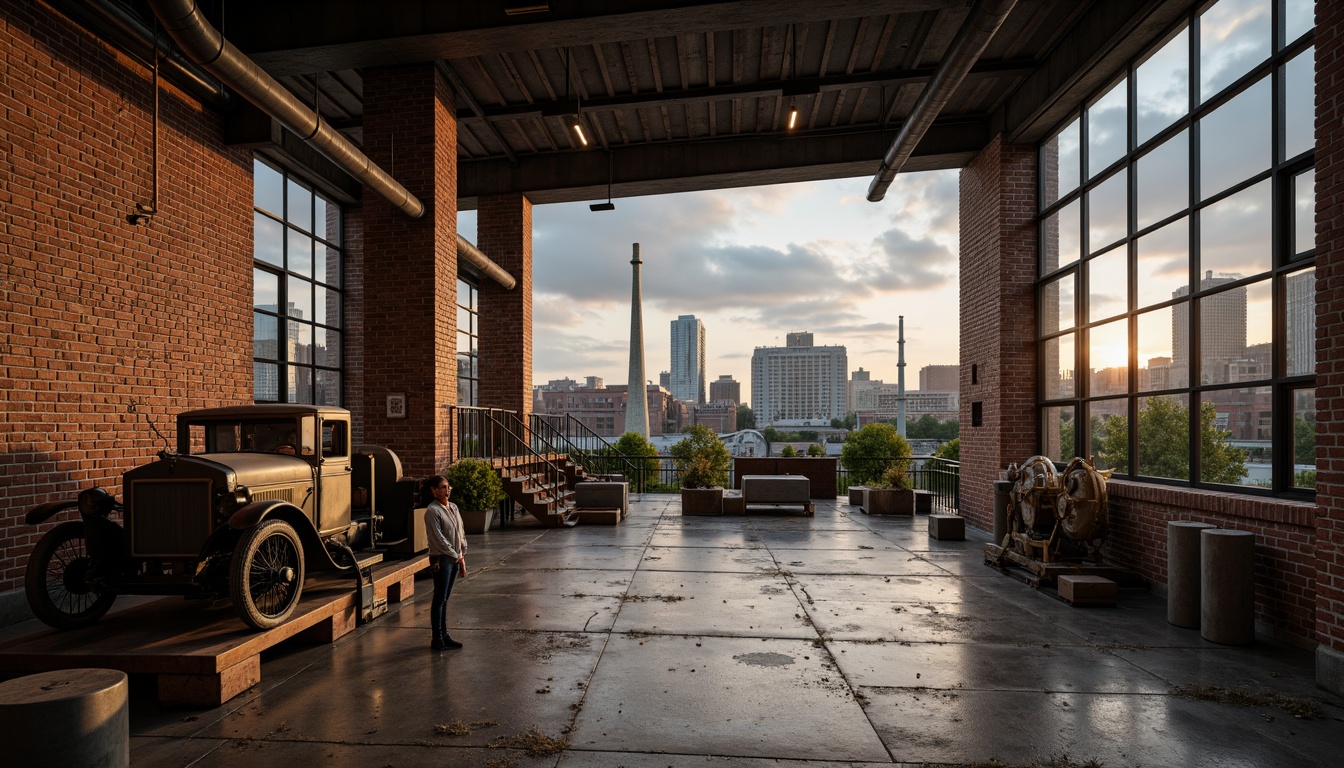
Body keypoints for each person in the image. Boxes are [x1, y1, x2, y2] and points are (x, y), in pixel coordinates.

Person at [422, 474, 467, 650]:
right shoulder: (432, 511)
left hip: (455, 558)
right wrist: (455, 555)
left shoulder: (454, 508)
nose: (447, 490)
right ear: (434, 490)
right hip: (442, 559)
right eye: (442, 487)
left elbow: (460, 531)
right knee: (439, 598)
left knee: (445, 599)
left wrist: (462, 553)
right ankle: (436, 638)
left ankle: (445, 635)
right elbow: (438, 539)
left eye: (448, 486)